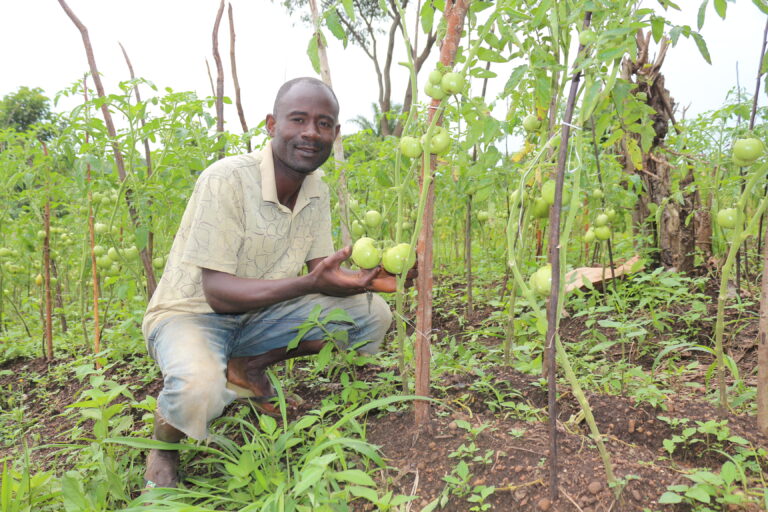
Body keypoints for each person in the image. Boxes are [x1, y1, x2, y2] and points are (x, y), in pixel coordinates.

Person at [141, 77, 402, 489]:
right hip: (191, 315)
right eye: (298, 120)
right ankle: (165, 448)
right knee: (198, 386)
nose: (310, 133)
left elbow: (324, 274)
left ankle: (249, 365)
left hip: (261, 314)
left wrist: (371, 280)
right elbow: (219, 294)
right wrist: (308, 283)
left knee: (370, 317)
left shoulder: (316, 190)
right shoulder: (225, 179)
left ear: (335, 134)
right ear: (271, 124)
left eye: (323, 124)